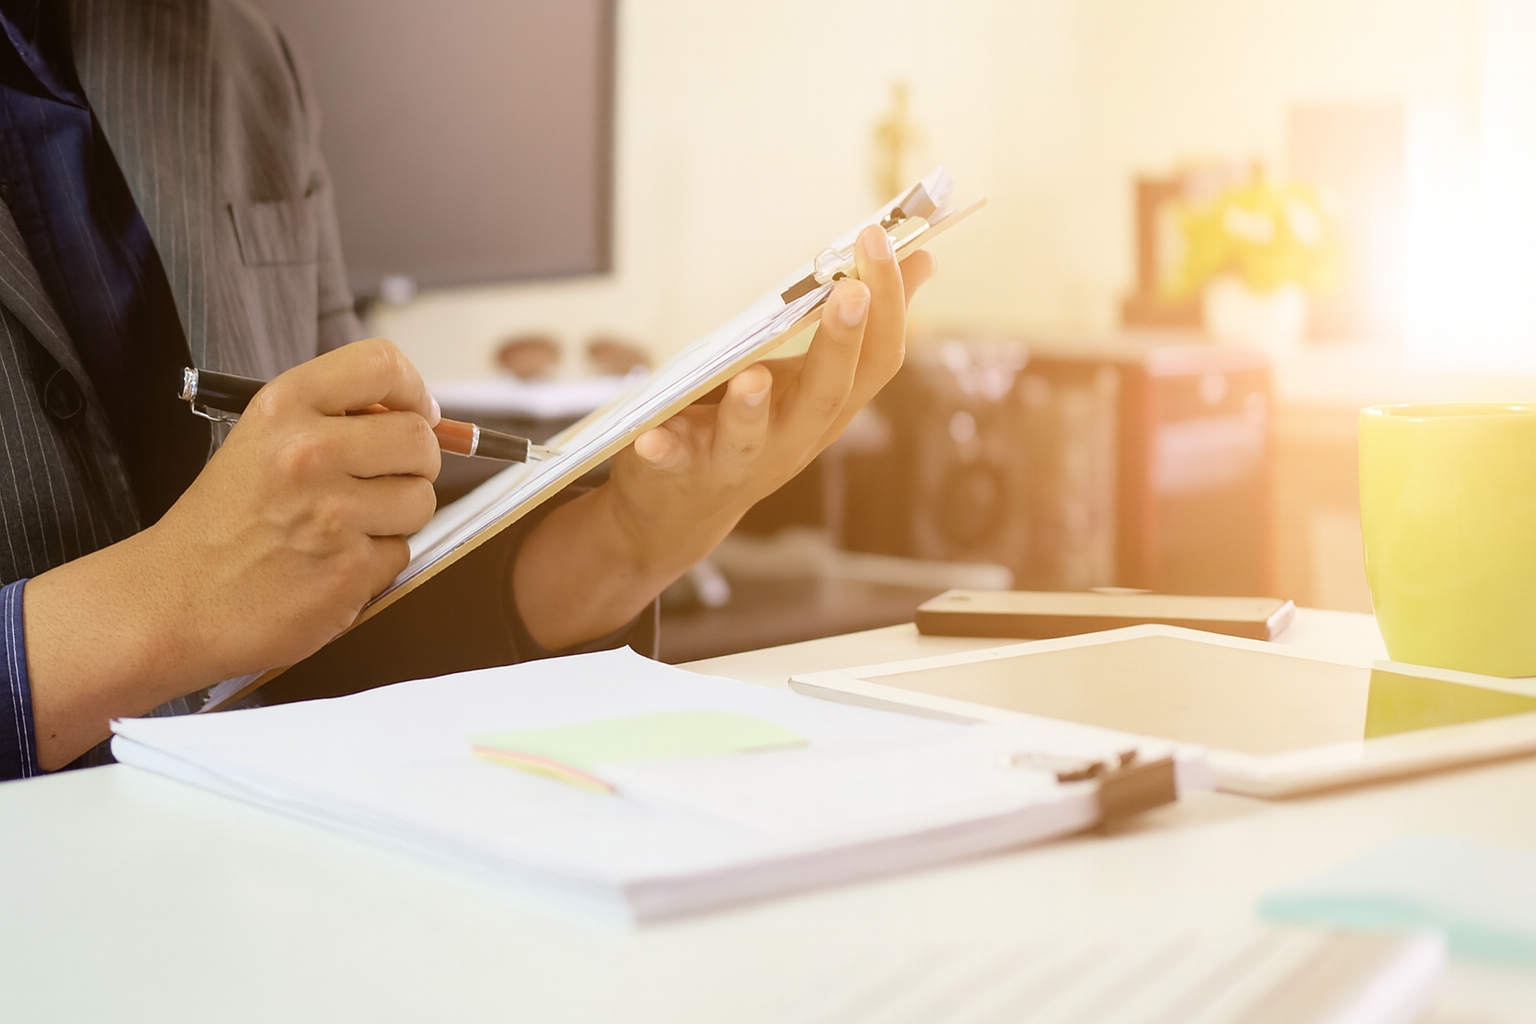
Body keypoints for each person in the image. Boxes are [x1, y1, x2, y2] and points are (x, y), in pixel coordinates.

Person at [0, 0, 935, 780]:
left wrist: (621, 544)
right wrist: (167, 603)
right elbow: (219, 599)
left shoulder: (242, 59)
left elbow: (335, 635)